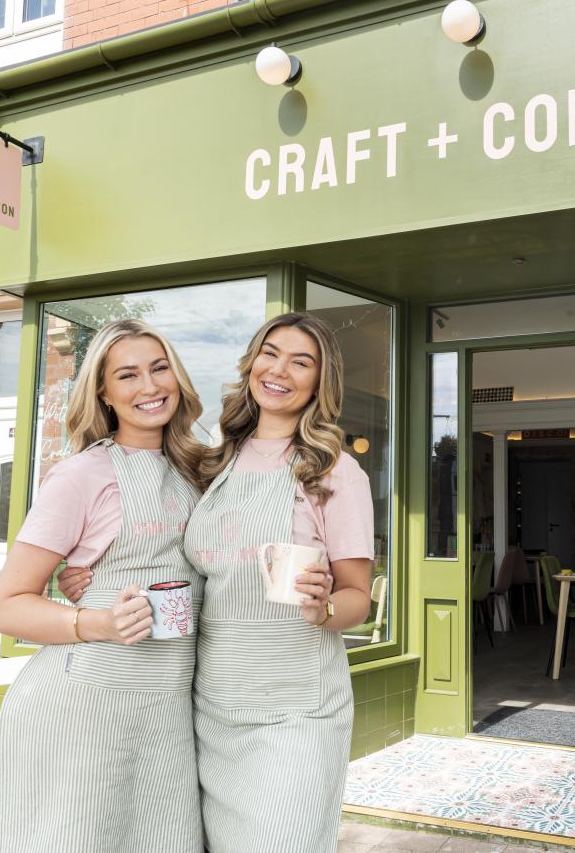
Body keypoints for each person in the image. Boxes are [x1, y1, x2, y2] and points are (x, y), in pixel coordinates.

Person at [0, 319, 208, 853]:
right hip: (86, 706)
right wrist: (98, 620)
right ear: (104, 393)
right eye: (127, 375)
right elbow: (6, 608)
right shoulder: (80, 476)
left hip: (166, 706)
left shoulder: (198, 472)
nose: (149, 386)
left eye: (159, 369)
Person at [188, 312, 373, 853]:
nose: (279, 370)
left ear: (319, 382)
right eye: (270, 354)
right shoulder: (212, 462)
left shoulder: (334, 471)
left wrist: (323, 609)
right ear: (252, 363)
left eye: (300, 362)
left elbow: (357, 597)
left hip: (296, 710)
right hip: (214, 704)